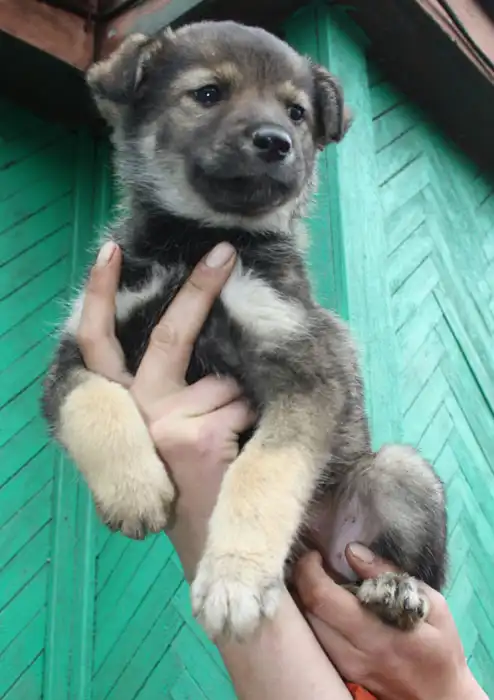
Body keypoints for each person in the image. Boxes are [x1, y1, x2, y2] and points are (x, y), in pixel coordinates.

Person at [74, 240, 488, 700]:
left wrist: (198, 504)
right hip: (289, 580)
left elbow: (318, 391)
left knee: (399, 476)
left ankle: (392, 586)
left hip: (320, 505)